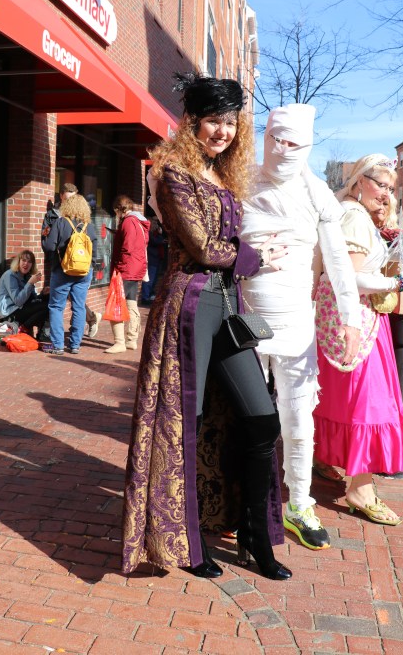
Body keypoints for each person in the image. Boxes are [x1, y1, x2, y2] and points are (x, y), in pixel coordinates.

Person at [122, 73, 292, 581]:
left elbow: (227, 247)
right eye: (213, 121)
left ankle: (255, 534)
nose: (223, 131)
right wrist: (258, 258)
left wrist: (252, 254)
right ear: (191, 122)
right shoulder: (172, 173)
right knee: (186, 425)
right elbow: (202, 247)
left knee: (261, 419)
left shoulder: (221, 175)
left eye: (230, 122)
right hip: (188, 307)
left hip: (228, 307)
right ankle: (187, 543)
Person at [240, 104, 361, 551]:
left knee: (298, 419)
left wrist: (350, 320)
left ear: (307, 146)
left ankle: (299, 503)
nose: (283, 149)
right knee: (246, 418)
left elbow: (339, 263)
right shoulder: (241, 181)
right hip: (244, 321)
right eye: (276, 139)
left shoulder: (316, 193)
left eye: (294, 143)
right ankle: (242, 503)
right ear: (266, 136)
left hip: (296, 324)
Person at [313, 155, 403, 525]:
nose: (386, 194)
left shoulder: (353, 214)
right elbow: (350, 278)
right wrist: (397, 281)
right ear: (359, 181)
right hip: (355, 323)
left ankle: (324, 457)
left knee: (341, 398)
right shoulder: (353, 216)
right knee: (368, 404)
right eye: (381, 184)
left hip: (348, 319)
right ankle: (360, 490)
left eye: (391, 188)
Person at [41, 183, 101, 338]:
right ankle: (75, 344)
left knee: (56, 307)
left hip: (62, 269)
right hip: (83, 271)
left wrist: (47, 238)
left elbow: (49, 246)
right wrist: (91, 268)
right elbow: (94, 250)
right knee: (79, 307)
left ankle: (58, 344)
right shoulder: (89, 226)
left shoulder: (60, 222)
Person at [104, 195, 150, 354]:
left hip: (126, 269)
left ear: (119, 209)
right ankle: (132, 340)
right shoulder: (138, 221)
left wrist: (119, 267)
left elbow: (128, 247)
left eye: (115, 211)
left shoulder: (129, 222)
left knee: (115, 303)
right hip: (135, 268)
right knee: (131, 302)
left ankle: (120, 342)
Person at [0, 250, 49, 338]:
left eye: (29, 262)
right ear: (18, 262)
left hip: (22, 308)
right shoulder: (10, 275)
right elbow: (18, 301)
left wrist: (43, 294)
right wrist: (30, 283)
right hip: (11, 312)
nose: (26, 264)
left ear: (32, 265)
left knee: (48, 300)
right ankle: (24, 327)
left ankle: (42, 334)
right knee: (47, 306)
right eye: (24, 260)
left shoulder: (27, 276)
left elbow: (33, 298)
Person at [140, 217, 166, 305]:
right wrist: (160, 236)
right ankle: (145, 297)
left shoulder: (155, 233)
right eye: (155, 223)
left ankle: (150, 294)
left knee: (154, 279)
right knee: (149, 279)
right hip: (151, 259)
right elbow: (156, 241)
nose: (157, 225)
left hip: (157, 258)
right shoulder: (148, 233)